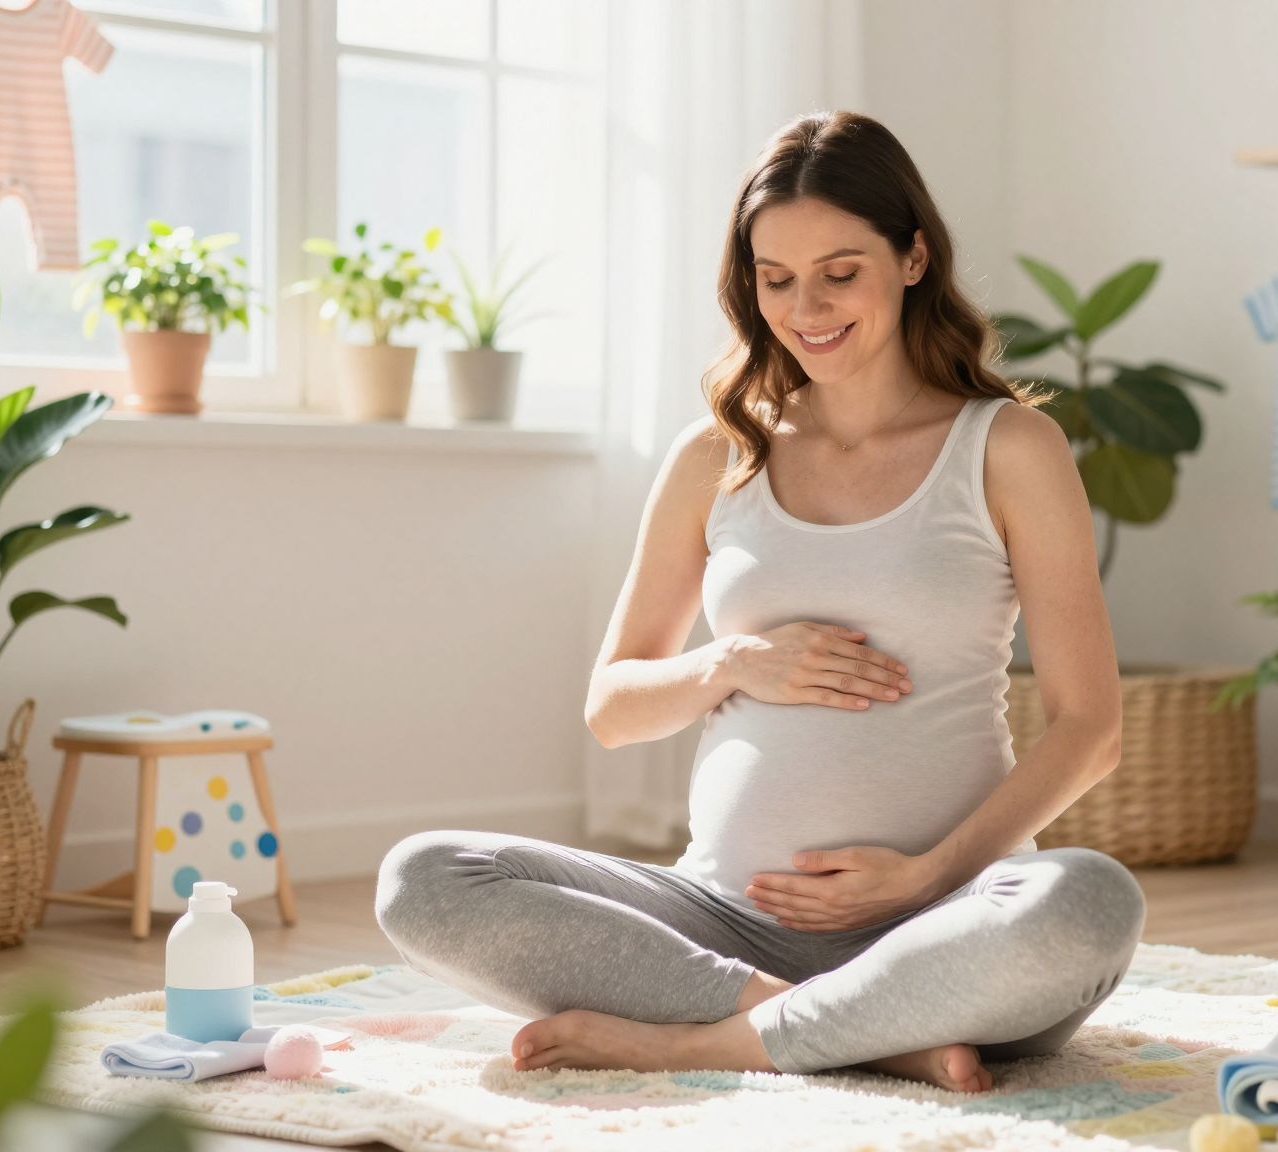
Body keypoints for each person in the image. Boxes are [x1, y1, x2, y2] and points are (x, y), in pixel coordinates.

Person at [374, 109, 1143, 1094]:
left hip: (951, 920)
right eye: (774, 278)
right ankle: (844, 1032)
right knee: (427, 879)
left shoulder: (1005, 449)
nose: (805, 306)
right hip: (721, 923)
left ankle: (705, 1043)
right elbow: (612, 708)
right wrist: (728, 664)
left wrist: (925, 873)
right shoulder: (718, 456)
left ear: (911, 258)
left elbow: (1091, 728)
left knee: (1086, 900)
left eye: (838, 271)